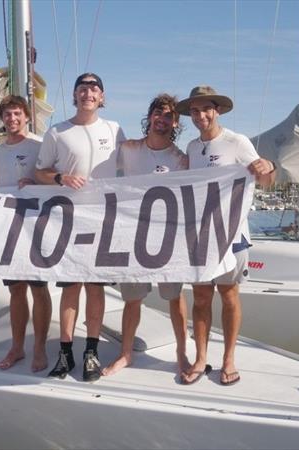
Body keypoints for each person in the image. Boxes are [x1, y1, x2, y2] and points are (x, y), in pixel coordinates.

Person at [175, 86, 276, 386]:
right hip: (199, 235)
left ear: (217, 110)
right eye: (194, 111)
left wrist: (268, 165)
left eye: (206, 109)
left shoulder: (236, 142)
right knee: (201, 298)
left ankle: (229, 359)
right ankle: (201, 357)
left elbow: (266, 180)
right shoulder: (192, 148)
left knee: (229, 296)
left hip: (232, 234)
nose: (201, 115)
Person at [35, 73, 125, 382]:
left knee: (96, 288)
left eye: (94, 89)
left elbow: (134, 163)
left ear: (102, 97)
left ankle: (91, 352)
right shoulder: (57, 132)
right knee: (70, 288)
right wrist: (61, 178)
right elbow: (40, 173)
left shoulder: (115, 130)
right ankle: (65, 351)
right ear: (75, 95)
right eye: (82, 88)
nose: (88, 93)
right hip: (68, 221)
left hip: (103, 220)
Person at [101, 93, 191, 379]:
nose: (162, 119)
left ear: (175, 122)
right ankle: (125, 353)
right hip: (133, 235)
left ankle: (181, 353)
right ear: (149, 116)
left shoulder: (181, 159)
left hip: (167, 238)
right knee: (132, 299)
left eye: (168, 116)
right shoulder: (127, 149)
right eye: (158, 113)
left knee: (175, 298)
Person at [0, 95, 53, 372]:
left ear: (27, 116)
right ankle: (17, 347)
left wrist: (36, 181)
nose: (12, 119)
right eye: (7, 114)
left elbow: (54, 176)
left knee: (39, 289)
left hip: (37, 225)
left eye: (17, 113)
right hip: (9, 226)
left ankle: (39, 348)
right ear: (2, 119)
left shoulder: (40, 145)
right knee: (16, 289)